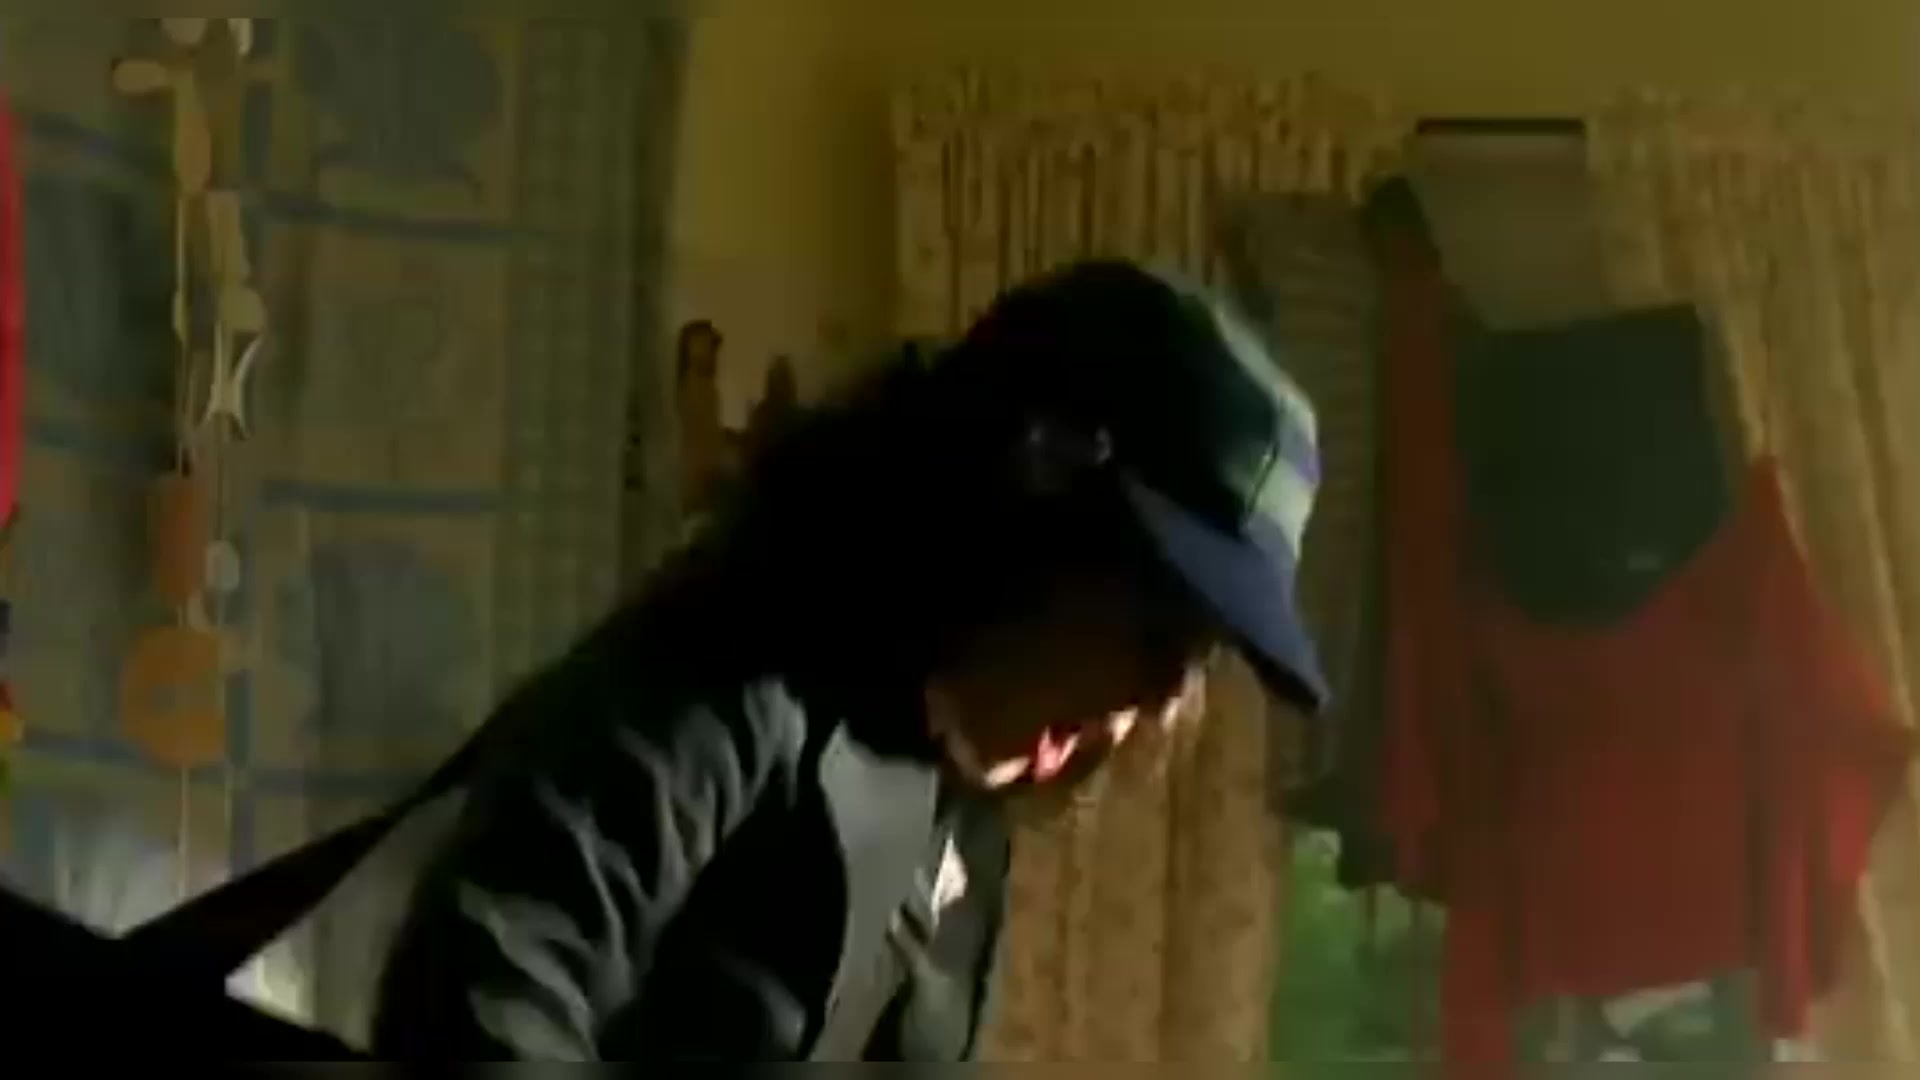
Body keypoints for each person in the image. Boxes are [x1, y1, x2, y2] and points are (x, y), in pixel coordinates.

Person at [370, 259, 1329, 1060]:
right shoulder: (729, 674)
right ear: (1026, 499)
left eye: (1196, 655)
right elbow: (482, 998)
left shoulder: (964, 814)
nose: (1162, 700)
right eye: (1155, 629)